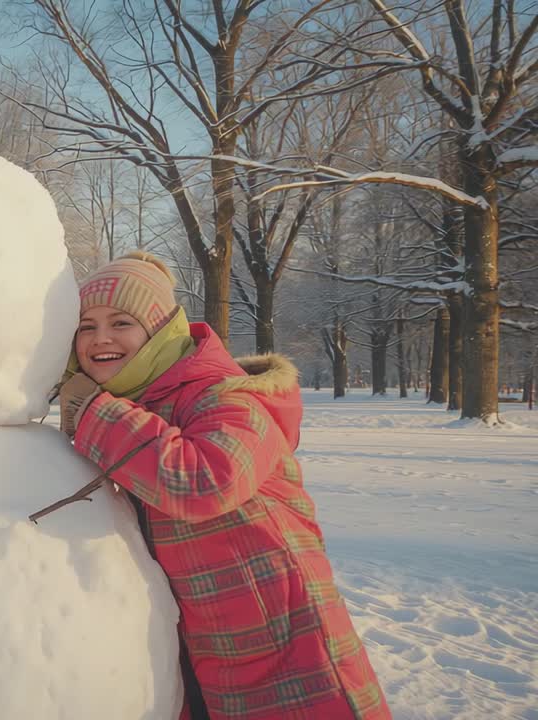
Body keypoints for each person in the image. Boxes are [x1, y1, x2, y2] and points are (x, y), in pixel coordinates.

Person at [55, 251, 391, 720]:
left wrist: (96, 413)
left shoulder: (228, 396)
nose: (100, 337)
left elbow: (206, 482)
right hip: (206, 642)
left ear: (161, 331)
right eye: (86, 326)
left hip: (286, 638)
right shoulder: (139, 406)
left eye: (121, 322)